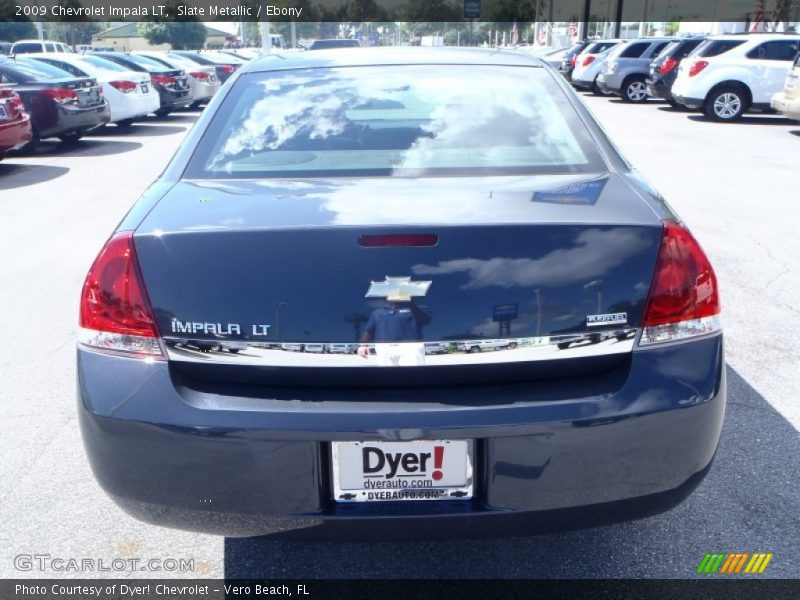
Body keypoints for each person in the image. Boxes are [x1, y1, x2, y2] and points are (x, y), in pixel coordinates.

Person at [357, 301, 431, 365]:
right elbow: (369, 330)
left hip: (411, 347)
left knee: (413, 375)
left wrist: (411, 304)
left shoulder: (416, 309)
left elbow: (426, 320)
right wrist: (363, 345)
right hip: (384, 347)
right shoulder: (378, 312)